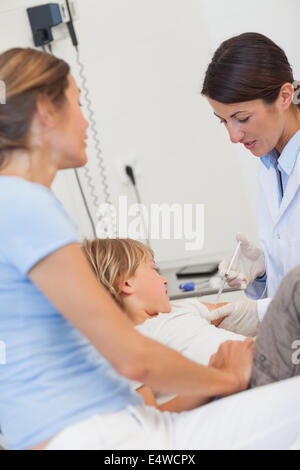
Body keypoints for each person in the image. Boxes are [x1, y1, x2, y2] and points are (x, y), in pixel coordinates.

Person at [0, 47, 299, 451]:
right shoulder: (25, 204)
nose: (86, 120)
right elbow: (131, 356)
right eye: (77, 102)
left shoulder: (19, 203)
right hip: (104, 435)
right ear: (44, 112)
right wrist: (227, 378)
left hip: (118, 425)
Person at [201, 32, 300, 324]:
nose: (233, 136)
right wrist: (263, 272)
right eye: (224, 121)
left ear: (284, 96)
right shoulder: (271, 164)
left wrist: (254, 313)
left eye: (242, 118)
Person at [81, 237, 248, 411]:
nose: (165, 280)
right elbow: (151, 416)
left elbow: (239, 312)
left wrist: (259, 281)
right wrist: (214, 379)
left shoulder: (178, 308)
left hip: (256, 356)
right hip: (241, 382)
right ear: (126, 283)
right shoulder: (124, 347)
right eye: (154, 269)